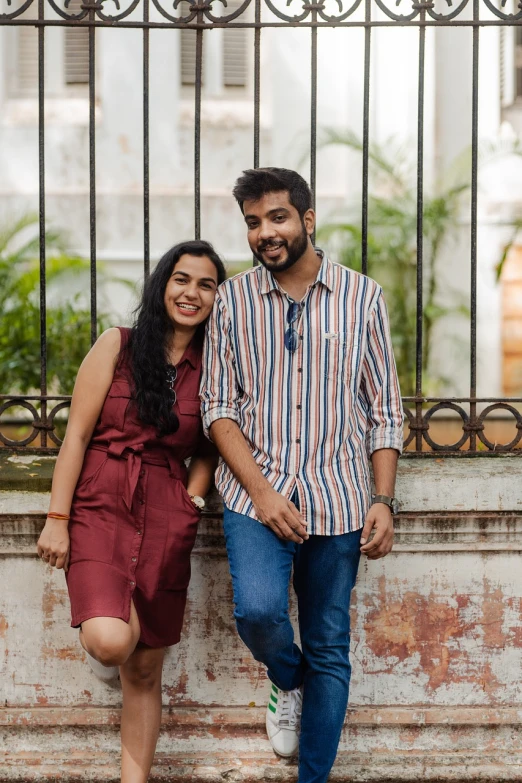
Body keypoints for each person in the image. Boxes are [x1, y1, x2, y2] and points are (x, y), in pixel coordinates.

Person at [200, 168, 403, 783]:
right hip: (254, 495)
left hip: (340, 498)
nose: (266, 233)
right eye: (254, 223)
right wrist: (262, 494)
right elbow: (217, 405)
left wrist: (384, 498)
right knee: (258, 613)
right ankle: (286, 681)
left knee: (330, 646)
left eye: (278, 217)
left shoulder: (362, 296)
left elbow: (384, 409)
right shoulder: (233, 300)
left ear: (307, 220)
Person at [37, 240, 226, 783]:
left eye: (206, 284)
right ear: (162, 283)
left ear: (216, 296)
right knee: (112, 640)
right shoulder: (116, 345)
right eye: (182, 279)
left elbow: (214, 439)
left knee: (146, 668)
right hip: (100, 501)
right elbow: (75, 434)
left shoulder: (212, 364)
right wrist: (57, 517)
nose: (191, 293)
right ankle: (114, 625)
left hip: (168, 509)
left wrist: (191, 497)